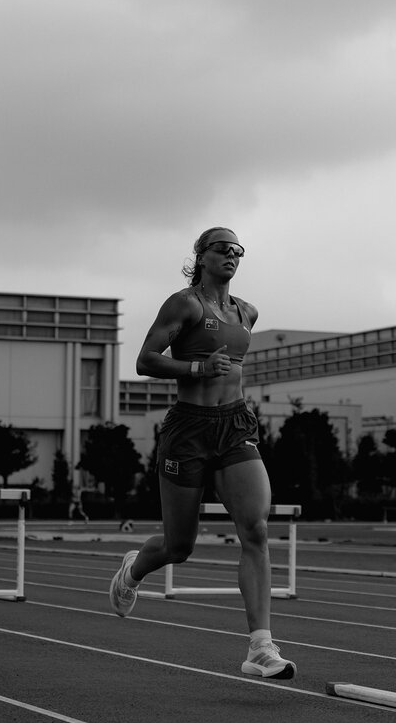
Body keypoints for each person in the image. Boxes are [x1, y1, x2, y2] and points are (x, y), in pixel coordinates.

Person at [108, 226, 296, 680]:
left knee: (256, 529)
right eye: (222, 248)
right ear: (201, 255)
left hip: (235, 425)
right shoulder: (184, 304)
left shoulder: (247, 311)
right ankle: (132, 571)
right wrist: (198, 366)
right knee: (179, 546)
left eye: (238, 250)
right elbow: (145, 360)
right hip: (189, 429)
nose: (232, 255)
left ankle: (260, 647)